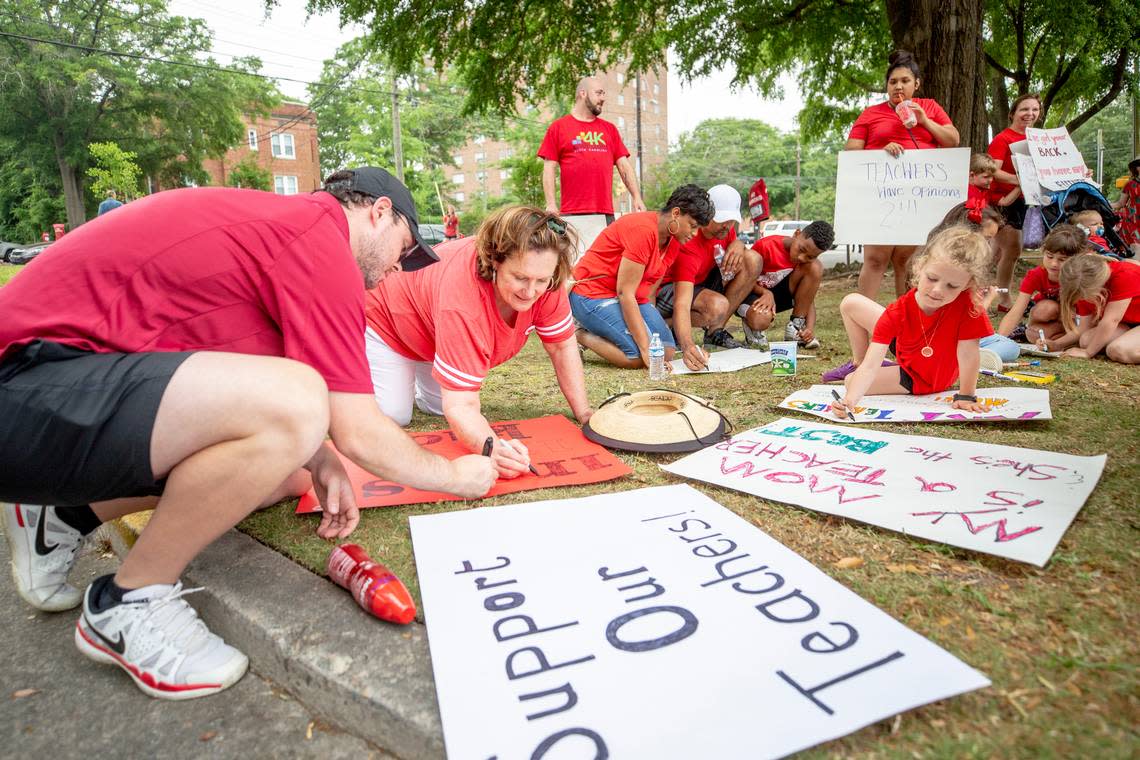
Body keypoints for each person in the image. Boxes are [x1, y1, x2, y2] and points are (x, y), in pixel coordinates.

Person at [0, 167, 496, 700]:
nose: (400, 266)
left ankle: (62, 515)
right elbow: (354, 428)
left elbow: (245, 390)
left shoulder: (286, 231)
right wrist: (453, 476)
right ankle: (131, 601)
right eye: (403, 245)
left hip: (49, 389)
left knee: (285, 470)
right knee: (295, 406)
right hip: (23, 384)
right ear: (377, 212)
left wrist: (317, 456)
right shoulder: (319, 239)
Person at [363, 206, 593, 477]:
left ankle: (419, 377)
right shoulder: (463, 299)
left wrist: (585, 413)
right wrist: (493, 448)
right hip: (386, 321)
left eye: (541, 280)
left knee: (439, 408)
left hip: (433, 333)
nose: (531, 291)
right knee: (393, 414)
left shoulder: (548, 280)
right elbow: (461, 405)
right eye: (519, 277)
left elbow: (561, 345)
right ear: (495, 261)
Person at [824, 226, 994, 417]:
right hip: (908, 348)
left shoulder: (968, 306)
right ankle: (865, 363)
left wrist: (967, 395)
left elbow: (968, 354)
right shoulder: (898, 311)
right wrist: (850, 401)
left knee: (849, 380)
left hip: (923, 378)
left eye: (952, 286)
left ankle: (885, 369)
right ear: (919, 267)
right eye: (932, 278)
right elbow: (870, 366)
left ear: (968, 284)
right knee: (851, 303)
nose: (938, 290)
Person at [844, 50, 960, 299]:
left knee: (908, 260)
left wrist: (925, 121)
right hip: (882, 195)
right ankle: (863, 322)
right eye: (893, 82)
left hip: (919, 196)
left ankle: (907, 321)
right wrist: (879, 152)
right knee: (876, 258)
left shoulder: (930, 107)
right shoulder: (871, 114)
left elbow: (952, 140)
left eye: (905, 81)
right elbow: (851, 151)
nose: (898, 86)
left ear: (916, 84)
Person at [570, 185, 713, 369]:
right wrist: (645, 348)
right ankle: (578, 334)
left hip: (626, 297)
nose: (694, 234)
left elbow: (648, 291)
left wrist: (687, 347)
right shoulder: (643, 231)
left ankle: (611, 333)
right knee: (638, 357)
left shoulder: (673, 240)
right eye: (693, 226)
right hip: (591, 294)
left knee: (666, 351)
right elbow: (625, 293)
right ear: (676, 213)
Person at [655, 184, 761, 369]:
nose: (727, 226)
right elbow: (682, 301)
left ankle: (715, 331)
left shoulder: (725, 229)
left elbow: (734, 239)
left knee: (753, 259)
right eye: (721, 220)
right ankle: (665, 325)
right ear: (705, 214)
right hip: (671, 289)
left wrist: (738, 243)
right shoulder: (688, 240)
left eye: (731, 221)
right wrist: (688, 345)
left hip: (702, 281)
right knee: (717, 306)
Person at [538, 75, 646, 253]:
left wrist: (636, 197)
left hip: (604, 213)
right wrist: (551, 203)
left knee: (605, 266)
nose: (603, 98)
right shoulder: (558, 127)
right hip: (571, 215)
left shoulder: (609, 129)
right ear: (582, 93)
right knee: (574, 267)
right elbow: (549, 168)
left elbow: (624, 165)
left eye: (604, 93)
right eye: (599, 93)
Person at [742, 221, 835, 351]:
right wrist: (765, 293)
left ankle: (796, 327)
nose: (802, 258)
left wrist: (809, 328)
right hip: (752, 293)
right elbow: (743, 280)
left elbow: (808, 298)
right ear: (797, 234)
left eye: (810, 256)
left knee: (816, 266)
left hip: (778, 298)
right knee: (760, 320)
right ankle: (751, 325)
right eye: (801, 250)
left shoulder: (806, 264)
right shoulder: (766, 246)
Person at [988, 94, 1043, 310]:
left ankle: (972, 289)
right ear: (1013, 113)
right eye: (1024, 109)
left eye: (1034, 110)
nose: (1030, 114)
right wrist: (1020, 179)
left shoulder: (1038, 140)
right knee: (1011, 251)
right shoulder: (1003, 139)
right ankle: (1003, 299)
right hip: (1003, 201)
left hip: (1025, 201)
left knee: (996, 253)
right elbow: (992, 170)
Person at [996, 225, 1085, 350]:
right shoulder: (1036, 274)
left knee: (1084, 337)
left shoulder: (1082, 279)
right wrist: (998, 340)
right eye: (1049, 256)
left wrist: (1059, 343)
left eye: (1062, 259)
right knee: (1035, 330)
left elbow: (1085, 321)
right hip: (1055, 317)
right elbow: (1017, 310)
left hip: (1076, 319)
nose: (1054, 263)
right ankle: (1063, 339)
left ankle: (1065, 340)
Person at [1058, 254, 1140, 364]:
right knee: (1086, 340)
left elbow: (1111, 320)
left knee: (1118, 350)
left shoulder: (1125, 274)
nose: (1082, 299)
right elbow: (1084, 327)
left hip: (1128, 322)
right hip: (1130, 323)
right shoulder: (1081, 283)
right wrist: (1056, 344)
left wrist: (1088, 352)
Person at [1112, 157, 1140, 258]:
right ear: (1137, 168)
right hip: (1133, 223)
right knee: (1137, 253)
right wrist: (1103, 203)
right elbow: (1120, 204)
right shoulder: (1130, 184)